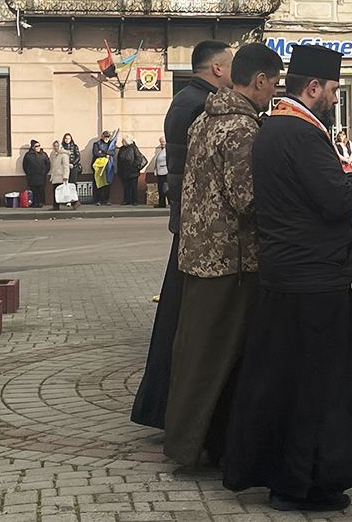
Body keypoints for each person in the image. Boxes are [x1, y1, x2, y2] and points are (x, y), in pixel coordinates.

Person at [223, 44, 352, 513]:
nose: (336, 99)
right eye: (334, 90)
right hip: (312, 284)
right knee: (318, 388)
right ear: (313, 87)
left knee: (285, 382)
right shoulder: (300, 133)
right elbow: (337, 198)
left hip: (289, 277)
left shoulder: (274, 127)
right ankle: (302, 484)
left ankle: (285, 477)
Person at [164, 43, 283, 468]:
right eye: (274, 84)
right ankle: (192, 446)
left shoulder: (207, 118)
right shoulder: (241, 129)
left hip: (200, 254)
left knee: (196, 353)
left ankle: (193, 441)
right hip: (230, 259)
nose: (274, 93)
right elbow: (248, 199)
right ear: (259, 80)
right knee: (215, 360)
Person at [132, 40, 233, 430]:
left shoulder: (184, 99)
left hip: (187, 222)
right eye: (231, 64)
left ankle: (161, 407)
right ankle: (170, 409)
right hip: (200, 226)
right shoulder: (202, 105)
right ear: (217, 69)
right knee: (184, 321)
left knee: (175, 318)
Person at [116, 138, 146, 206]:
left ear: (127, 142)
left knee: (133, 187)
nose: (122, 142)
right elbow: (119, 160)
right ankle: (127, 200)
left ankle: (135, 201)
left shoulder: (134, 148)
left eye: (123, 141)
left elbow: (139, 158)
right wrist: (119, 170)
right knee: (126, 187)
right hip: (124, 172)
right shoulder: (122, 149)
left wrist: (133, 166)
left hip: (133, 172)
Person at [22, 139, 51, 208]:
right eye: (36, 146)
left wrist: (44, 172)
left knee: (41, 190)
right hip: (32, 177)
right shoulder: (28, 155)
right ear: (33, 147)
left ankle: (41, 202)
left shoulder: (43, 154)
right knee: (34, 190)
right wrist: (29, 173)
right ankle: (34, 203)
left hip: (41, 176)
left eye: (39, 146)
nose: (38, 147)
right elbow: (25, 165)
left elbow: (48, 164)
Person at [91, 131, 118, 205]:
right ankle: (98, 200)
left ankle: (106, 199)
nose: (106, 138)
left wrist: (102, 152)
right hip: (99, 166)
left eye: (108, 137)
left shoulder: (111, 144)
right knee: (98, 183)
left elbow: (113, 153)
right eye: (105, 136)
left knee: (107, 183)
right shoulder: (97, 144)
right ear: (102, 136)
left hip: (108, 166)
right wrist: (105, 154)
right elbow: (96, 153)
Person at [49, 139, 71, 210]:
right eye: (54, 146)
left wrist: (65, 176)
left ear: (60, 146)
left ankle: (75, 202)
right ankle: (55, 206)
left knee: (64, 191)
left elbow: (66, 166)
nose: (56, 147)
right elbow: (53, 165)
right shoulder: (53, 154)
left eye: (57, 146)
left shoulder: (64, 155)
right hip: (55, 176)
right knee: (56, 191)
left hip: (61, 176)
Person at [150, 137, 169, 208]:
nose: (162, 143)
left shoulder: (167, 150)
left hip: (165, 172)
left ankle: (165, 203)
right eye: (161, 142)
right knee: (160, 189)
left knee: (165, 189)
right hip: (160, 172)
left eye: (163, 142)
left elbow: (169, 160)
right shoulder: (160, 150)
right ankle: (161, 203)